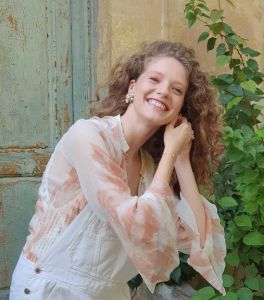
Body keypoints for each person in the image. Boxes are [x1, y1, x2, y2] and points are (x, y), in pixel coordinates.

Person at [10, 41, 226, 300]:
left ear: (181, 108)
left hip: (110, 293)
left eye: (177, 89)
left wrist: (180, 158)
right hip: (51, 289)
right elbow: (134, 223)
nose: (163, 91)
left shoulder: (149, 168)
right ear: (133, 87)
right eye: (155, 79)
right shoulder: (89, 136)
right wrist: (169, 155)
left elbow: (199, 238)